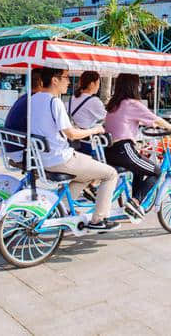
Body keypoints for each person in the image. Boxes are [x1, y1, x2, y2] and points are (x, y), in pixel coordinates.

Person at [31, 67, 120, 231]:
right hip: (60, 158)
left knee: (85, 176)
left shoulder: (34, 100)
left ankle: (61, 209)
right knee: (110, 174)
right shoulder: (54, 101)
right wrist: (95, 130)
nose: (69, 81)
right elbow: (71, 134)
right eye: (66, 77)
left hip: (42, 158)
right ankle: (99, 219)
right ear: (54, 80)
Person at [104, 74, 171, 203]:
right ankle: (136, 202)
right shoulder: (131, 103)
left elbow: (129, 120)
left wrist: (150, 123)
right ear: (133, 86)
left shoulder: (113, 104)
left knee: (139, 170)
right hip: (124, 150)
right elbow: (155, 118)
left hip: (109, 152)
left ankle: (134, 201)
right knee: (157, 172)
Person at [4, 69, 44, 164]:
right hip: (21, 151)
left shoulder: (25, 97)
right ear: (42, 83)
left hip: (12, 147)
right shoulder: (37, 100)